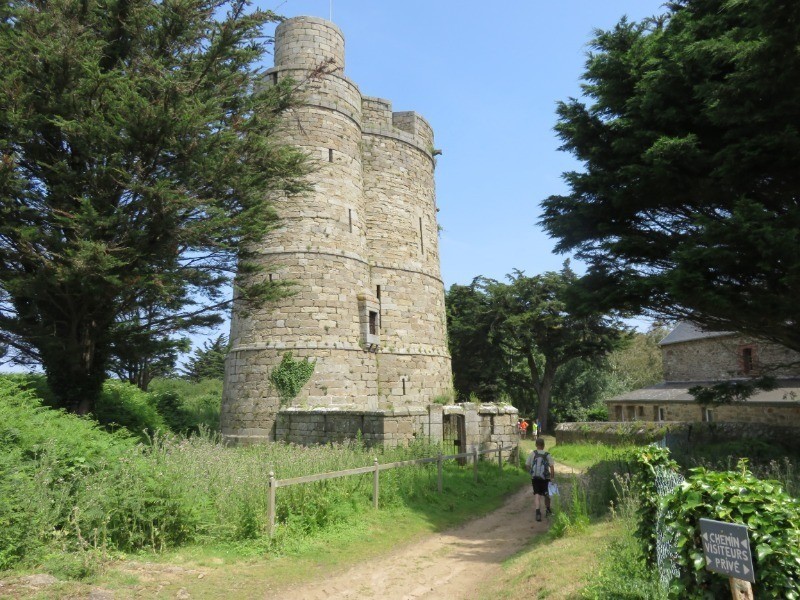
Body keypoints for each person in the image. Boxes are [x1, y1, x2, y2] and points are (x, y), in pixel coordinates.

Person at [525, 437, 555, 522]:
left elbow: (527, 465)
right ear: (544, 445)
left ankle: (538, 512)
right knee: (546, 494)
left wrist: (531, 472)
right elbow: (552, 467)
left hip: (535, 478)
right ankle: (548, 510)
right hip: (545, 478)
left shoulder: (532, 454)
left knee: (537, 494)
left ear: (536, 445)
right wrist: (552, 477)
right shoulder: (547, 455)